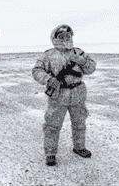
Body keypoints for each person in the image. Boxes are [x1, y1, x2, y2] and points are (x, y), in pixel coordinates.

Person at [32, 24, 97, 166]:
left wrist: (83, 61)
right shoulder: (48, 55)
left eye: (68, 36)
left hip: (77, 93)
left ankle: (79, 147)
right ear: (55, 38)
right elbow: (36, 71)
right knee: (52, 126)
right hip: (58, 95)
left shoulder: (79, 53)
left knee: (80, 123)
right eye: (61, 36)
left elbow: (91, 67)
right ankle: (50, 153)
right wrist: (49, 80)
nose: (65, 38)